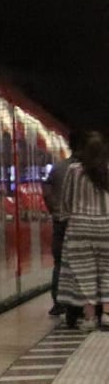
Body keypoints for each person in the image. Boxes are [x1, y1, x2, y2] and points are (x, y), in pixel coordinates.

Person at [55, 130, 109, 330]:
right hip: (107, 226)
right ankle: (106, 314)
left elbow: (66, 200)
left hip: (79, 227)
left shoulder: (75, 170)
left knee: (84, 272)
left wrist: (65, 216)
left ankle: (88, 318)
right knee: (107, 270)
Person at [47, 133, 79, 316]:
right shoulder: (93, 170)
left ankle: (58, 303)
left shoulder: (58, 168)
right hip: (84, 223)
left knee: (60, 263)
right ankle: (82, 306)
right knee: (84, 265)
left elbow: (46, 191)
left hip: (61, 222)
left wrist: (55, 211)